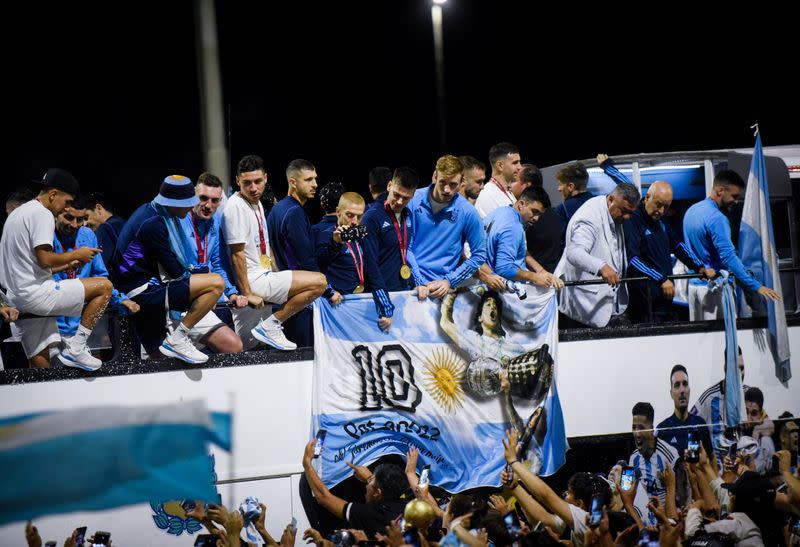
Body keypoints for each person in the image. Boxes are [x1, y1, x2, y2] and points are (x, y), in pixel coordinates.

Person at [0, 168, 112, 370]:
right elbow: (44, 259)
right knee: (104, 287)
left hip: (17, 298)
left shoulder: (17, 214)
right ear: (53, 195)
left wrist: (68, 265)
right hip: (36, 295)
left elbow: (29, 267)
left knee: (40, 364)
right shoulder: (42, 214)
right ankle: (77, 348)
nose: (65, 208)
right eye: (67, 202)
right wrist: (77, 254)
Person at [113, 175, 226, 364]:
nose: (191, 207)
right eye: (189, 203)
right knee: (215, 283)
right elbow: (175, 271)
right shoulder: (154, 224)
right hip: (141, 292)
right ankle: (179, 337)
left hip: (141, 287)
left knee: (159, 360)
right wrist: (199, 289)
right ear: (175, 202)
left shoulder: (150, 212)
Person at [225, 156, 326, 350]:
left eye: (258, 182)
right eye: (247, 183)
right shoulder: (235, 206)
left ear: (266, 178)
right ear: (237, 181)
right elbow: (236, 254)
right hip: (254, 281)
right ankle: (272, 324)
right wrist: (247, 292)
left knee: (250, 347)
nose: (253, 188)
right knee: (319, 282)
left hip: (263, 275)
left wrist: (277, 272)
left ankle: (270, 326)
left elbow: (265, 246)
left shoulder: (257, 203)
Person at [683, 169, 780, 320]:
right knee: (722, 342)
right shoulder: (717, 218)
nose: (735, 201)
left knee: (699, 341)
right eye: (734, 196)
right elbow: (728, 257)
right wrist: (756, 286)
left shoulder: (691, 211)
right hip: (714, 290)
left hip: (694, 287)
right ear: (720, 190)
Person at [623, 180, 715, 323]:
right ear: (647, 198)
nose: (661, 211)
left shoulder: (661, 219)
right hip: (644, 304)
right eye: (658, 205)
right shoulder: (633, 220)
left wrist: (699, 266)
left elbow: (678, 246)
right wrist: (661, 278)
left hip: (665, 301)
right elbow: (633, 260)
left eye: (666, 207)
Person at [52, 197, 139, 342]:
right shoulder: (45, 235)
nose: (75, 225)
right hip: (52, 322)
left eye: (80, 219)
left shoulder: (88, 234)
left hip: (82, 323)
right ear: (57, 214)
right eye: (69, 218)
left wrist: (119, 298)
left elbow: (100, 277)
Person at [555, 182, 640, 327]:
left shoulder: (613, 214)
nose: (627, 217)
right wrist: (601, 267)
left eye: (630, 213)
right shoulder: (589, 218)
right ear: (611, 199)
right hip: (582, 308)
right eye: (624, 210)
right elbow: (574, 253)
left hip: (604, 306)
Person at [177, 173, 245, 354]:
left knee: (234, 346)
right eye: (203, 198)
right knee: (157, 359)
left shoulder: (214, 221)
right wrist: (205, 290)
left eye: (215, 201)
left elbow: (217, 263)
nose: (209, 206)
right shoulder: (178, 219)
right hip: (177, 299)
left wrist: (231, 293)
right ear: (194, 194)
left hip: (202, 299)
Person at [408, 154, 486, 298]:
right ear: (434, 176)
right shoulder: (412, 200)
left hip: (442, 289)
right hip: (410, 285)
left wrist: (449, 281)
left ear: (462, 182)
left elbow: (480, 254)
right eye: (443, 182)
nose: (447, 190)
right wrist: (418, 280)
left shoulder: (468, 212)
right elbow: (406, 246)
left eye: (453, 184)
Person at [315, 192, 394, 331]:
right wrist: (328, 291)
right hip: (334, 308)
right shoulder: (324, 235)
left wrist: (385, 307)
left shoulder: (362, 236)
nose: (355, 221)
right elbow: (315, 269)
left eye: (359, 216)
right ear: (338, 212)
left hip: (359, 306)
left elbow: (373, 271)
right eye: (350, 215)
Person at [267, 158, 325, 347]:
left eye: (315, 179)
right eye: (308, 180)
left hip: (283, 299)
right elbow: (306, 261)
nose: (315, 184)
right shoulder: (294, 213)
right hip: (298, 304)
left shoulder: (277, 209)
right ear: (293, 182)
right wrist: (327, 290)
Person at [301, 439, 408, 537]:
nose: (366, 484)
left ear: (378, 493)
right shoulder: (407, 506)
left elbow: (324, 498)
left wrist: (307, 462)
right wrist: (370, 479)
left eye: (370, 481)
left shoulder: (370, 514)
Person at [478, 187, 563, 291]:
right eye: (534, 211)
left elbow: (518, 250)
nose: (536, 218)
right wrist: (534, 277)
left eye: (539, 214)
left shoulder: (499, 212)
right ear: (521, 204)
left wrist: (541, 271)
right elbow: (504, 269)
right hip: (502, 291)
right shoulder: (513, 227)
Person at [361, 167, 427, 294]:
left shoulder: (407, 215)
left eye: (406, 197)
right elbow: (370, 262)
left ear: (413, 195)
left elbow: (403, 254)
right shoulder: (372, 217)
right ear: (389, 186)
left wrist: (415, 285)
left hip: (402, 291)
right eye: (396, 194)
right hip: (379, 294)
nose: (400, 202)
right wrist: (381, 295)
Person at [691, 346, 748, 466]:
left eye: (742, 369)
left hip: (743, 470)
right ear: (725, 369)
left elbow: (768, 423)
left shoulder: (748, 395)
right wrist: (693, 460)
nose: (740, 374)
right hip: (717, 472)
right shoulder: (709, 397)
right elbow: (690, 425)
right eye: (735, 369)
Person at [628, 402, 679, 527]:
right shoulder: (632, 459)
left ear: (651, 428)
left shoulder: (671, 456)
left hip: (667, 524)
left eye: (641, 428)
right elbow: (626, 495)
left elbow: (682, 498)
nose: (637, 434)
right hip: (643, 525)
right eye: (634, 428)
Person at [656, 365, 712, 457]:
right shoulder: (662, 430)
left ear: (689, 390)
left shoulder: (700, 424)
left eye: (685, 384)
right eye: (677, 385)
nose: (682, 390)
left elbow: (711, 460)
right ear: (671, 393)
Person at [475, 142, 522, 218]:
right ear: (500, 166)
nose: (520, 167)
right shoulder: (487, 195)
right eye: (515, 163)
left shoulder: (507, 192)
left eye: (519, 162)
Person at [83, 192, 126, 269]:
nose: (84, 224)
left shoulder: (105, 228)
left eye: (86, 217)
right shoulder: (122, 222)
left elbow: (101, 268)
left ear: (99, 208)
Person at [741, 386, 776, 475]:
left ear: (761, 413)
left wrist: (756, 431)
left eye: (754, 413)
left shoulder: (763, 434)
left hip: (755, 477)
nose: (748, 419)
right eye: (746, 412)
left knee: (766, 440)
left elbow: (771, 425)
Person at [553, 162, 594, 236]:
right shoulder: (599, 202)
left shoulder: (562, 210)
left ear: (570, 186)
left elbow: (561, 241)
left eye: (561, 184)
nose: (558, 189)